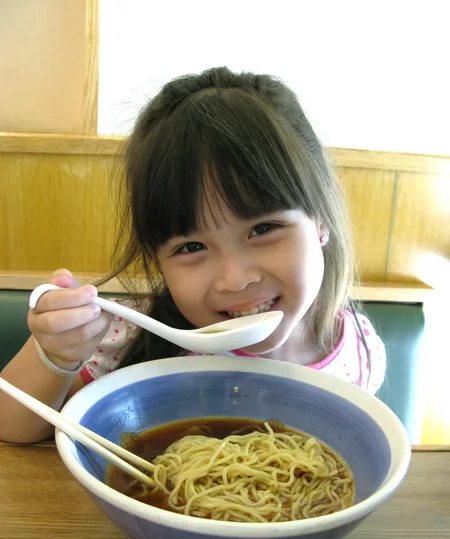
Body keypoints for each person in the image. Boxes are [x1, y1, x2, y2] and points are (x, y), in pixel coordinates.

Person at [0, 66, 386, 444]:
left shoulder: (359, 351)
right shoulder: (131, 339)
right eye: (192, 247)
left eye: (263, 229)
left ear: (320, 220)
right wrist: (56, 354)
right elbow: (12, 428)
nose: (235, 278)